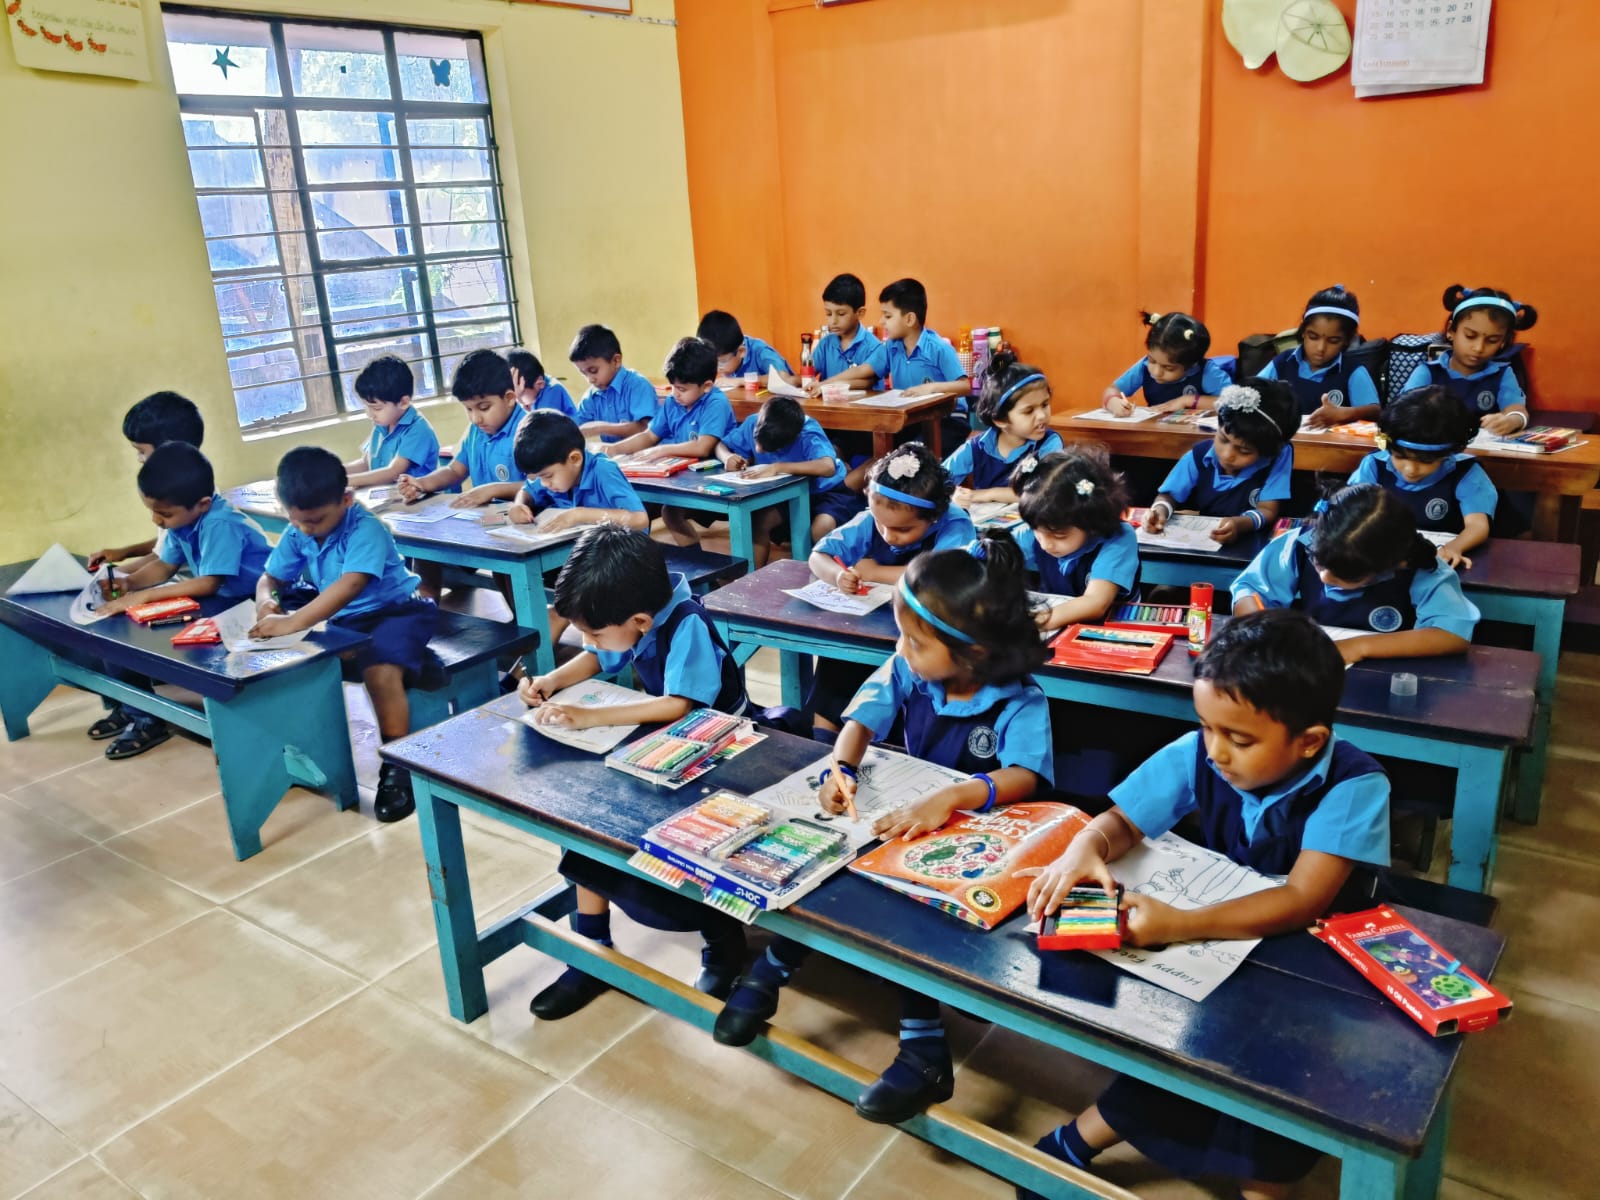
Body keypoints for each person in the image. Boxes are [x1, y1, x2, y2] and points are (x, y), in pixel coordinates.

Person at [1022, 609, 1390, 1200]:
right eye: (1206, 727)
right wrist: (1085, 846)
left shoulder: (1355, 786)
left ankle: (1263, 1182)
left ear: (1309, 742)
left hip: (1308, 961)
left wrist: (1181, 923)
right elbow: (1123, 821)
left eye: (1239, 739)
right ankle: (1086, 1135)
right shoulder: (1200, 752)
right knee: (1179, 1046)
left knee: (1278, 1086)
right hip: (1221, 943)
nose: (1216, 751)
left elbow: (1302, 899)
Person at [715, 532, 1054, 1125]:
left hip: (974, 839)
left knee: (910, 917)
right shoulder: (910, 669)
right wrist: (842, 768)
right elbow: (860, 723)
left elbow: (1026, 775)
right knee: (827, 871)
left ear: (972, 652)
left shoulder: (1019, 701)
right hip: (911, 814)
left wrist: (952, 796)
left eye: (915, 641)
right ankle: (771, 970)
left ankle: (924, 1047)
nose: (901, 650)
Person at [516, 526, 749, 1019]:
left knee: (696, 850)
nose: (589, 641)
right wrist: (551, 681)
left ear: (641, 621)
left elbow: (679, 704)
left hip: (721, 756)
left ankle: (724, 946)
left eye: (595, 631)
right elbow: (599, 655)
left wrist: (590, 716)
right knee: (587, 826)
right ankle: (590, 948)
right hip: (661, 750)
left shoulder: (687, 622)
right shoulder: (634, 612)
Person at [252, 447, 439, 822]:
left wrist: (292, 622)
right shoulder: (299, 529)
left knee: (380, 670)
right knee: (298, 664)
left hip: (396, 612)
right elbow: (270, 578)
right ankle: (300, 754)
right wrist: (266, 602)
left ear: (347, 499)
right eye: (296, 520)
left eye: (315, 520)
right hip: (343, 618)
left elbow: (352, 584)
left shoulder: (365, 528)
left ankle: (397, 764)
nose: (305, 528)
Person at [807, 444, 976, 732]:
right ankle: (824, 736)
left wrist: (875, 572)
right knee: (838, 655)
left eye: (902, 530)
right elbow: (818, 556)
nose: (888, 535)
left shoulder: (955, 523)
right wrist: (838, 575)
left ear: (934, 516)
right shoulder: (875, 518)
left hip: (925, 637)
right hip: (871, 623)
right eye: (880, 524)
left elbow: (942, 577)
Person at [1232, 483, 1479, 665]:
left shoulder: (1419, 567)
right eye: (1318, 562)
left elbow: (1452, 634)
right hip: (1312, 670)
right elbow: (1248, 591)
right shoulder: (1299, 543)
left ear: (1393, 565)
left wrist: (1358, 647)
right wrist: (1262, 627)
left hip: (1384, 676)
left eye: (1348, 577)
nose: (1325, 578)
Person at [85, 390, 206, 755]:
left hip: (198, 594)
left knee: (118, 627)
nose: (139, 459)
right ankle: (128, 704)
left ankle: (145, 716)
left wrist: (134, 586)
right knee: (107, 614)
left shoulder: (192, 495)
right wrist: (123, 564)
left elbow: (175, 566)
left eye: (141, 451)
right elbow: (164, 550)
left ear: (169, 449)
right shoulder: (174, 492)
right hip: (176, 584)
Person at [601, 337, 737, 546]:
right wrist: (613, 449)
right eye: (672, 387)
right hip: (682, 478)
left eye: (682, 389)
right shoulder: (673, 402)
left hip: (715, 480)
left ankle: (696, 564)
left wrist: (661, 450)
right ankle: (638, 559)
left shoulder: (716, 402)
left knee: (670, 513)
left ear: (707, 386)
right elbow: (649, 436)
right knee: (636, 507)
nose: (675, 394)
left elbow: (703, 447)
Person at [1342, 385, 1495, 569]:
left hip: (1439, 564)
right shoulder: (1374, 465)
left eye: (1425, 461)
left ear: (1447, 453)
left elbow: (1477, 525)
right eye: (1400, 456)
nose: (1410, 469)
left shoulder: (1466, 472)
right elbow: (1351, 512)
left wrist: (1453, 548)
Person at [1144, 379, 1298, 545]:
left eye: (1244, 451)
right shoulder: (1199, 456)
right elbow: (1169, 495)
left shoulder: (1275, 459)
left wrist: (1239, 524)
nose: (1227, 455)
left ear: (1266, 452)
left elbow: (1267, 509)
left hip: (1254, 546)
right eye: (1223, 439)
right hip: (1205, 544)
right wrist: (1160, 510)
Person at [716, 394, 858, 559]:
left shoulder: (807, 432)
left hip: (826, 492)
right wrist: (727, 457)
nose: (759, 449)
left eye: (770, 448)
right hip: (787, 494)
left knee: (821, 528)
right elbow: (721, 445)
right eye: (756, 440)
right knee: (759, 522)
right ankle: (753, 573)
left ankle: (830, 572)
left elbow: (828, 467)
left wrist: (778, 467)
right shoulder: (753, 421)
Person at [1014, 446, 1139, 630]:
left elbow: (1095, 602)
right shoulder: (1042, 525)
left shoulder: (1119, 539)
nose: (1046, 544)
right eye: (1036, 531)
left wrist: (1032, 623)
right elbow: (995, 554)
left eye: (1059, 535)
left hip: (1111, 632)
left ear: (1090, 521)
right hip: (1059, 626)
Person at [395, 349, 524, 508]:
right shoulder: (477, 431)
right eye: (468, 409)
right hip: (490, 514)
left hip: (524, 514)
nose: (475, 419)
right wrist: (421, 483)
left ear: (509, 398)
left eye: (484, 408)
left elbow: (540, 485)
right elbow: (455, 471)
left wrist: (492, 491)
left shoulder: (529, 430)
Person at [1402, 285, 1538, 436]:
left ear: (1503, 342)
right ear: (1451, 331)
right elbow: (1402, 411)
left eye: (1492, 340)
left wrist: (1512, 421)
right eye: (1470, 336)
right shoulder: (1428, 372)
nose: (1479, 348)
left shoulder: (1502, 374)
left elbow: (1517, 411)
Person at [944, 351, 1064, 506]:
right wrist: (955, 494)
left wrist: (987, 494)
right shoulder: (977, 447)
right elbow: (938, 480)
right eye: (1029, 411)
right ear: (1000, 420)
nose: (1041, 415)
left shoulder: (1049, 443)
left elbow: (1043, 491)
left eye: (1045, 404)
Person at [1258, 285, 1382, 425]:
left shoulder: (1353, 371)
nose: (1321, 348)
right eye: (1313, 337)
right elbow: (1252, 392)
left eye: (1333, 341)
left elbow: (1375, 412)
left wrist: (1345, 414)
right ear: (1303, 332)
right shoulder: (1283, 363)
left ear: (1347, 340)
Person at [507, 410, 648, 533]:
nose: (544, 483)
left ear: (575, 459)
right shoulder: (553, 474)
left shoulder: (603, 470)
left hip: (623, 551)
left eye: (548, 476)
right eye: (539, 477)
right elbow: (527, 491)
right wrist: (519, 505)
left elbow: (640, 519)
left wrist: (579, 515)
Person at [879, 277, 972, 450]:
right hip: (913, 419)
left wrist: (931, 388)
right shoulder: (892, 346)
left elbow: (965, 386)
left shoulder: (939, 348)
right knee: (881, 445)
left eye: (888, 316)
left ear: (909, 319)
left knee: (913, 455)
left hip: (949, 419)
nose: (881, 321)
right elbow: (868, 370)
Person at [1102, 312, 1231, 414]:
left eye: (1169, 368)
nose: (1156, 372)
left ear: (1191, 365)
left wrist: (1188, 401)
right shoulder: (1144, 366)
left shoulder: (1206, 371)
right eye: (1152, 361)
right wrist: (1113, 401)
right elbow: (1113, 389)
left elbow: (1232, 403)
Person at [343, 355, 440, 488]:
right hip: (386, 496)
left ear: (403, 402)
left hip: (416, 497)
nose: (370, 414)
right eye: (366, 406)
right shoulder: (381, 425)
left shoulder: (418, 430)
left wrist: (344, 481)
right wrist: (335, 473)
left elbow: (393, 473)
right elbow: (366, 463)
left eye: (376, 408)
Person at [570, 323, 659, 443]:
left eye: (593, 371)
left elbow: (645, 428)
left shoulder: (638, 385)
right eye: (583, 373)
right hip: (613, 453)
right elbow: (575, 427)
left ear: (616, 361)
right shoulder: (592, 396)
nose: (590, 379)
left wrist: (601, 428)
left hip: (644, 452)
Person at [807, 273, 887, 392]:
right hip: (830, 403)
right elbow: (807, 375)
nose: (833, 321)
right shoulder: (825, 344)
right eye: (828, 313)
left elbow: (867, 383)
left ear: (860, 313)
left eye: (841, 314)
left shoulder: (874, 347)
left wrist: (825, 385)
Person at [697, 309, 796, 385]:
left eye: (722, 362)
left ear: (741, 351)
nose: (718, 368)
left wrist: (739, 381)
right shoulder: (725, 352)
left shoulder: (760, 351)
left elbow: (783, 378)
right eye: (714, 362)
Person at [507, 348, 577, 420]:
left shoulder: (552, 391)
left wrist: (519, 401)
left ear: (540, 384)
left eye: (519, 394)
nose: (517, 400)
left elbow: (538, 425)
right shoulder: (534, 382)